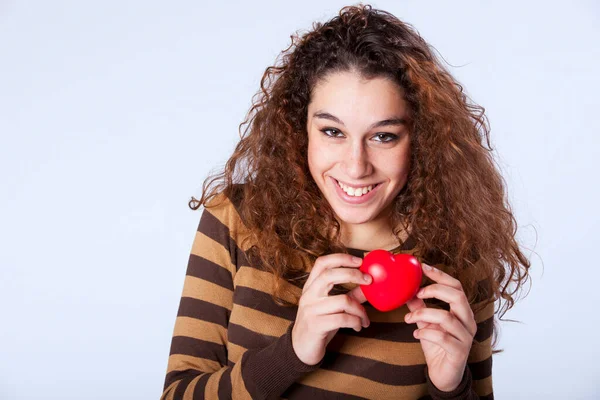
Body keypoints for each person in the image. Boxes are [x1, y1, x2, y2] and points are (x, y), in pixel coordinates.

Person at [160, 4, 531, 399]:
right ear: (299, 129)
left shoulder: (460, 256)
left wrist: (451, 387)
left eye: (384, 136)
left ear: (421, 138)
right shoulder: (236, 221)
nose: (355, 167)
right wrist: (293, 351)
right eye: (332, 131)